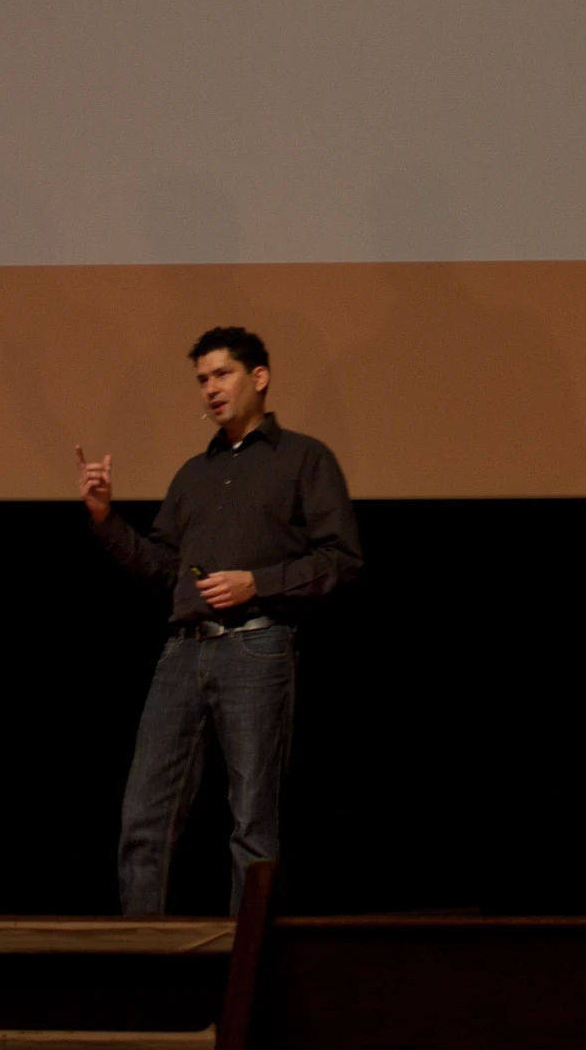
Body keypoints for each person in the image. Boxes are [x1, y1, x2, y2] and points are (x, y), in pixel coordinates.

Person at [76, 326, 362, 914]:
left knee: (252, 823)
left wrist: (256, 582)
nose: (210, 388)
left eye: (222, 374)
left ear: (259, 378)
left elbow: (341, 558)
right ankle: (140, 967)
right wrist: (106, 519)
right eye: (202, 379)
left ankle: (246, 976)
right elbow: (164, 569)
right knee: (144, 818)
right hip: (183, 652)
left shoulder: (304, 458)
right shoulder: (192, 475)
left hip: (257, 648)